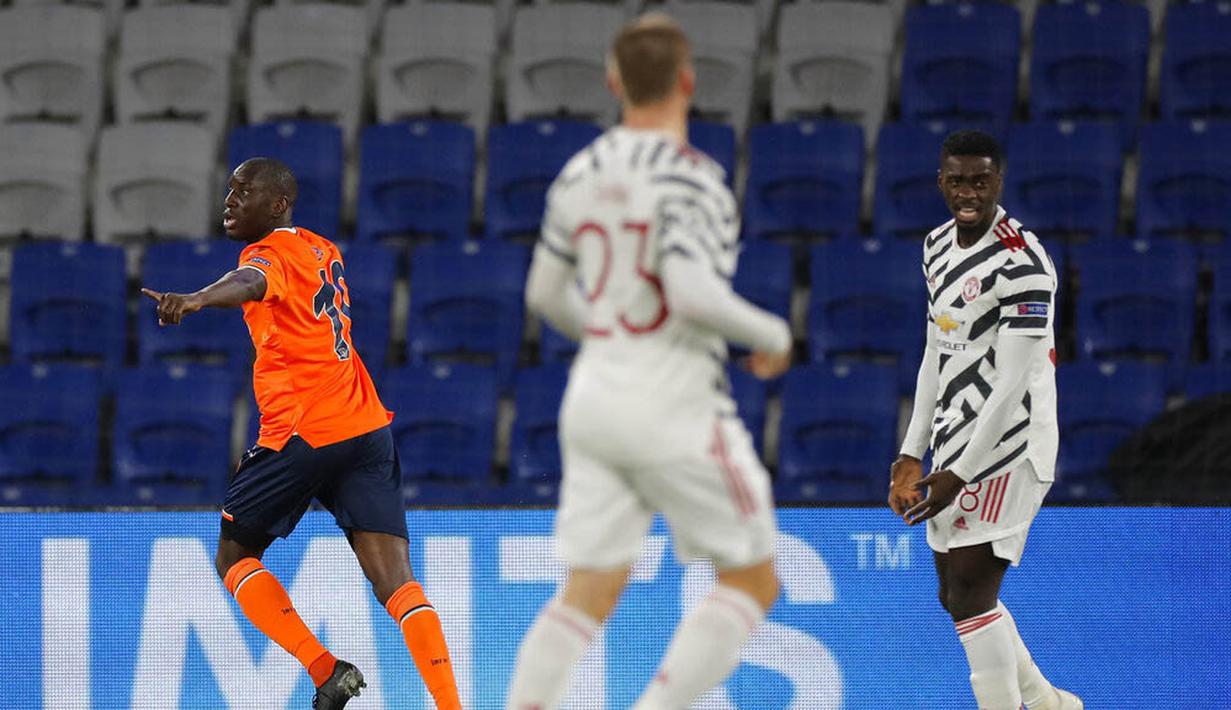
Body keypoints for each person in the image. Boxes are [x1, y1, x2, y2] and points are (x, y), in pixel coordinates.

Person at [505, 15, 793, 710]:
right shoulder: (694, 180)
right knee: (752, 580)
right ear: (688, 83)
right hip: (675, 404)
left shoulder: (579, 173)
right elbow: (692, 292)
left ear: (612, 83)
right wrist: (772, 333)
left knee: (587, 590)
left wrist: (607, 335)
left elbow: (543, 294)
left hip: (595, 399)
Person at [141, 158, 461, 710]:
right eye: (230, 189)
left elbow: (249, 281)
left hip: (303, 430)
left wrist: (195, 298)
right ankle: (453, 706)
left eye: (245, 190)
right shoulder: (323, 249)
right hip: (364, 426)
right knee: (397, 582)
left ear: (279, 204)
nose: (230, 198)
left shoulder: (266, 255)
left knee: (234, 556)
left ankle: (325, 669)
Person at [889, 130, 1082, 710]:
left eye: (980, 180)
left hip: (1012, 444)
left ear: (999, 181)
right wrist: (911, 451)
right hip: (955, 438)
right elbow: (936, 352)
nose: (968, 192)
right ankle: (1052, 706)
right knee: (955, 594)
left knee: (972, 592)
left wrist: (964, 472)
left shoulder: (1024, 262)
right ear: (940, 182)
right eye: (957, 181)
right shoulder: (935, 247)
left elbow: (1014, 382)